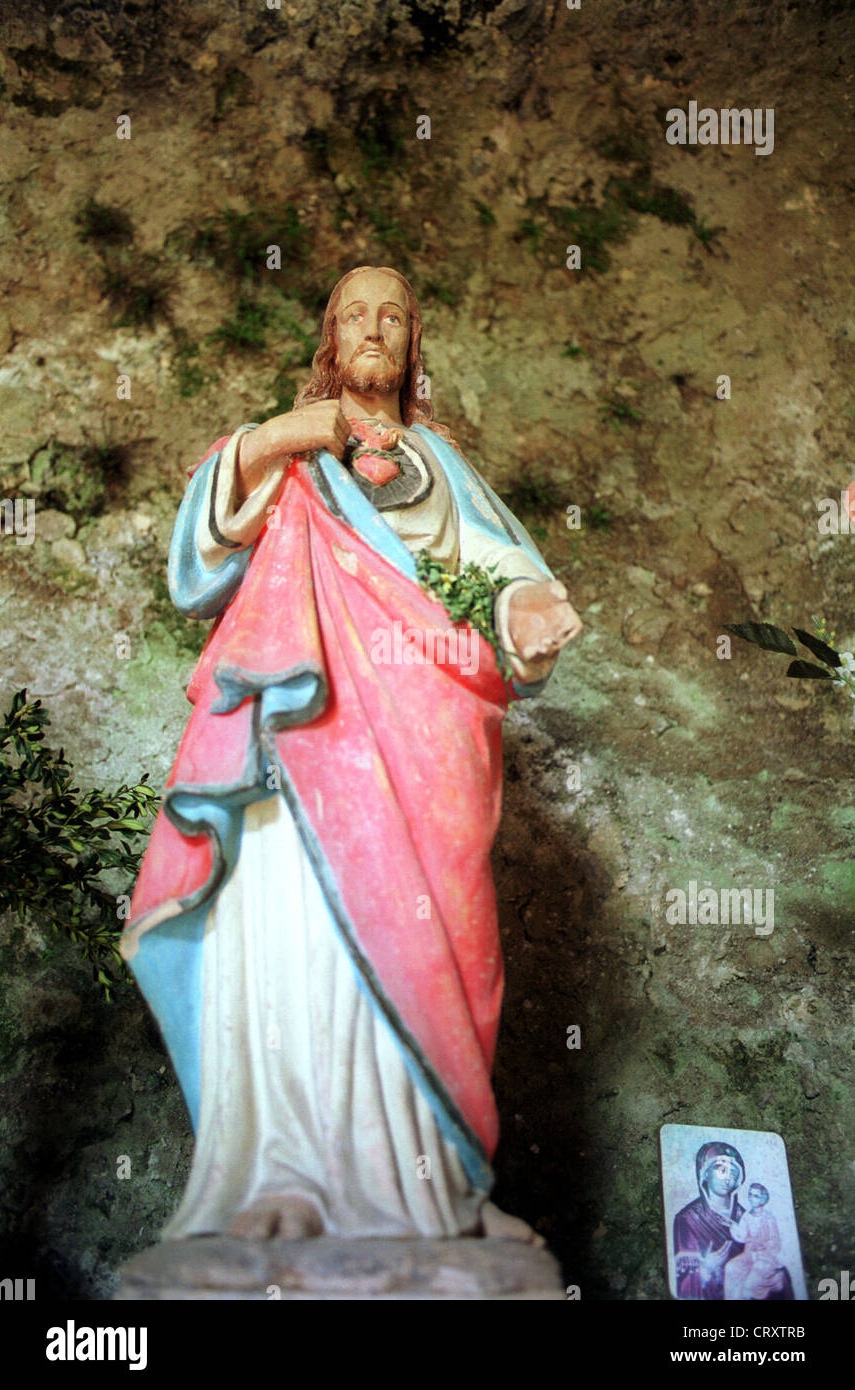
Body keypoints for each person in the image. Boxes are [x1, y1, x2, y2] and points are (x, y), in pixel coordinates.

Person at [121, 265, 582, 1241]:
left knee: (428, 926)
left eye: (393, 316)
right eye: (353, 315)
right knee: (294, 930)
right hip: (300, 734)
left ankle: (414, 1188)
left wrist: (526, 610)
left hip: (425, 739)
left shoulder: (442, 465)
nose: (374, 329)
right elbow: (197, 564)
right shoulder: (290, 452)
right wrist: (283, 435)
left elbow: (499, 571)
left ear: (415, 344)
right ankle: (279, 1171)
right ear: (328, 339)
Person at [673, 1142, 747, 1298]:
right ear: (705, 1173)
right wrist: (706, 1267)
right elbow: (684, 1281)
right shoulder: (689, 1219)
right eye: (722, 1170)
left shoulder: (744, 1216)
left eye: (733, 1173)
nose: (727, 1178)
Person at [724, 1184, 794, 1300]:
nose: (751, 1198)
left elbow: (775, 1242)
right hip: (749, 1255)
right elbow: (742, 1236)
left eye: (755, 1196)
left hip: (765, 1257)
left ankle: (774, 1280)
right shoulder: (746, 1216)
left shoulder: (768, 1218)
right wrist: (733, 1226)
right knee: (731, 1267)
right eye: (750, 1194)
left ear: (762, 1199)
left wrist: (763, 1245)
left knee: (750, 1284)